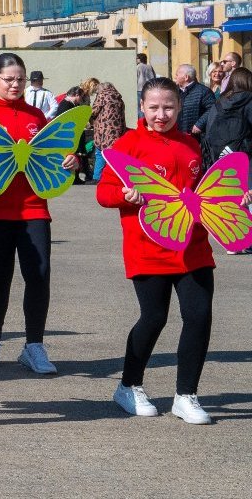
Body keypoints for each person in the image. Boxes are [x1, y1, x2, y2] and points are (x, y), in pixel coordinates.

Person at [99, 76, 217, 424]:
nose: (161, 114)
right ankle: (128, 385)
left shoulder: (192, 145)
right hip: (147, 246)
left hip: (193, 245)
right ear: (142, 108)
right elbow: (104, 192)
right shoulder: (128, 144)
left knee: (199, 315)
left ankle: (186, 395)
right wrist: (125, 195)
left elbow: (204, 190)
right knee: (154, 318)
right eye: (154, 107)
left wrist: (232, 199)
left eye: (168, 107)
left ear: (180, 107)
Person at [0, 53, 71, 374]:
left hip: (33, 206)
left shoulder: (36, 115)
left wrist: (69, 161)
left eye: (20, 79)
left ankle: (34, 345)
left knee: (38, 275)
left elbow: (54, 153)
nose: (15, 84)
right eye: (8, 79)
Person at [197, 67, 252, 168]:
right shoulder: (249, 99)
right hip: (244, 156)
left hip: (219, 155)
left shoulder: (220, 101)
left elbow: (210, 127)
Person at [173, 65, 215, 135]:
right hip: (177, 134)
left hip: (195, 136)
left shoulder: (203, 91)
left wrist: (200, 124)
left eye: (177, 74)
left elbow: (212, 108)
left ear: (186, 77)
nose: (175, 77)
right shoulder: (174, 91)